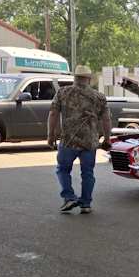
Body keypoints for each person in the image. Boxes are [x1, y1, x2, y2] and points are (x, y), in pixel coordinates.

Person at [47, 65, 111, 214]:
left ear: (75, 78)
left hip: (68, 141)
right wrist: (107, 138)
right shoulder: (99, 97)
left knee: (63, 169)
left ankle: (69, 197)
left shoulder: (62, 93)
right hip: (90, 142)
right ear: (88, 79)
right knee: (88, 172)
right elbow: (106, 119)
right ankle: (86, 204)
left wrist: (51, 135)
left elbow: (53, 114)